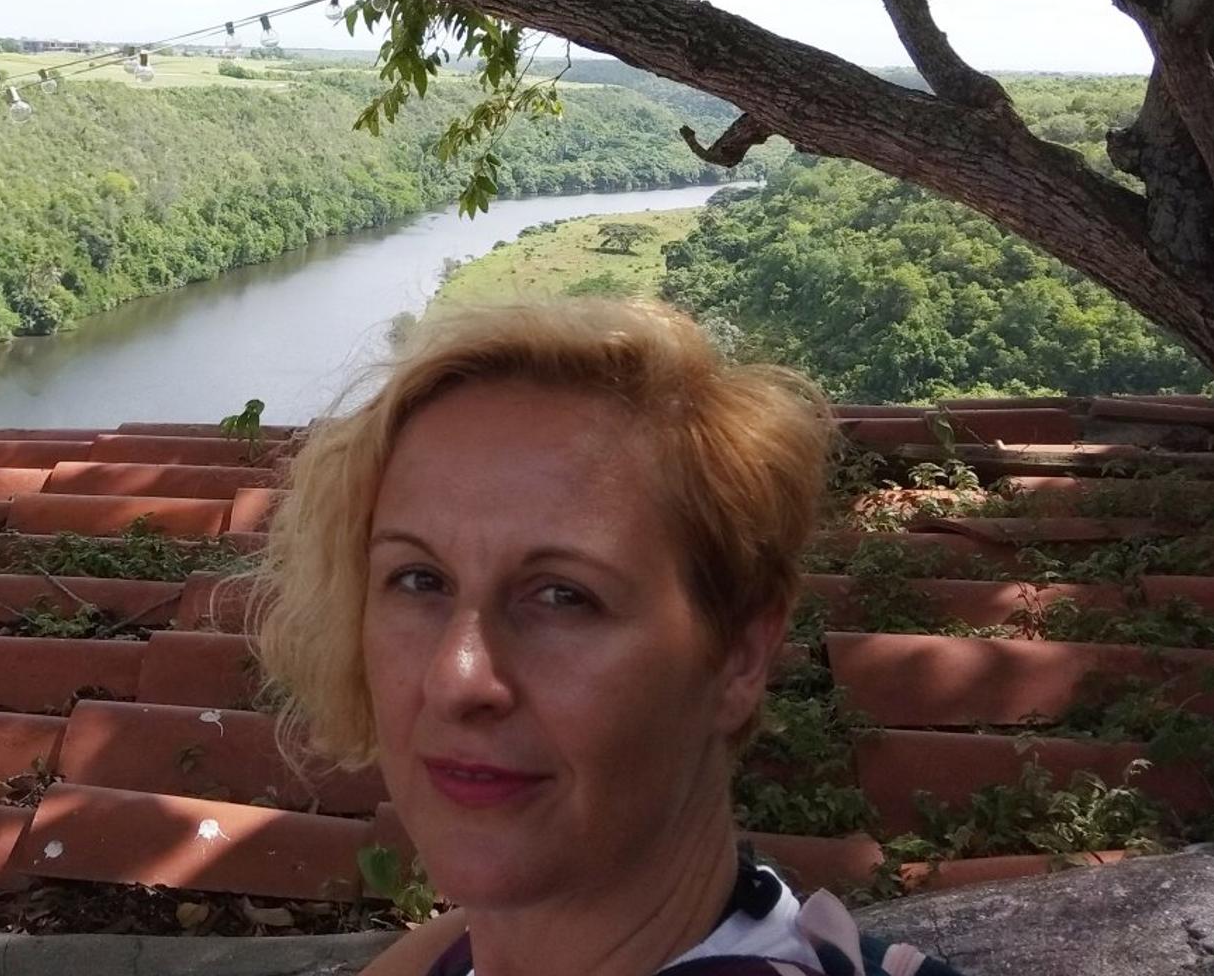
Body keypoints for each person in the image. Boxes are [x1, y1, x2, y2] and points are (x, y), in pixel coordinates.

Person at [252, 300, 958, 976]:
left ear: (740, 655)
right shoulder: (479, 945)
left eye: (565, 596)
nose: (456, 678)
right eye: (418, 580)